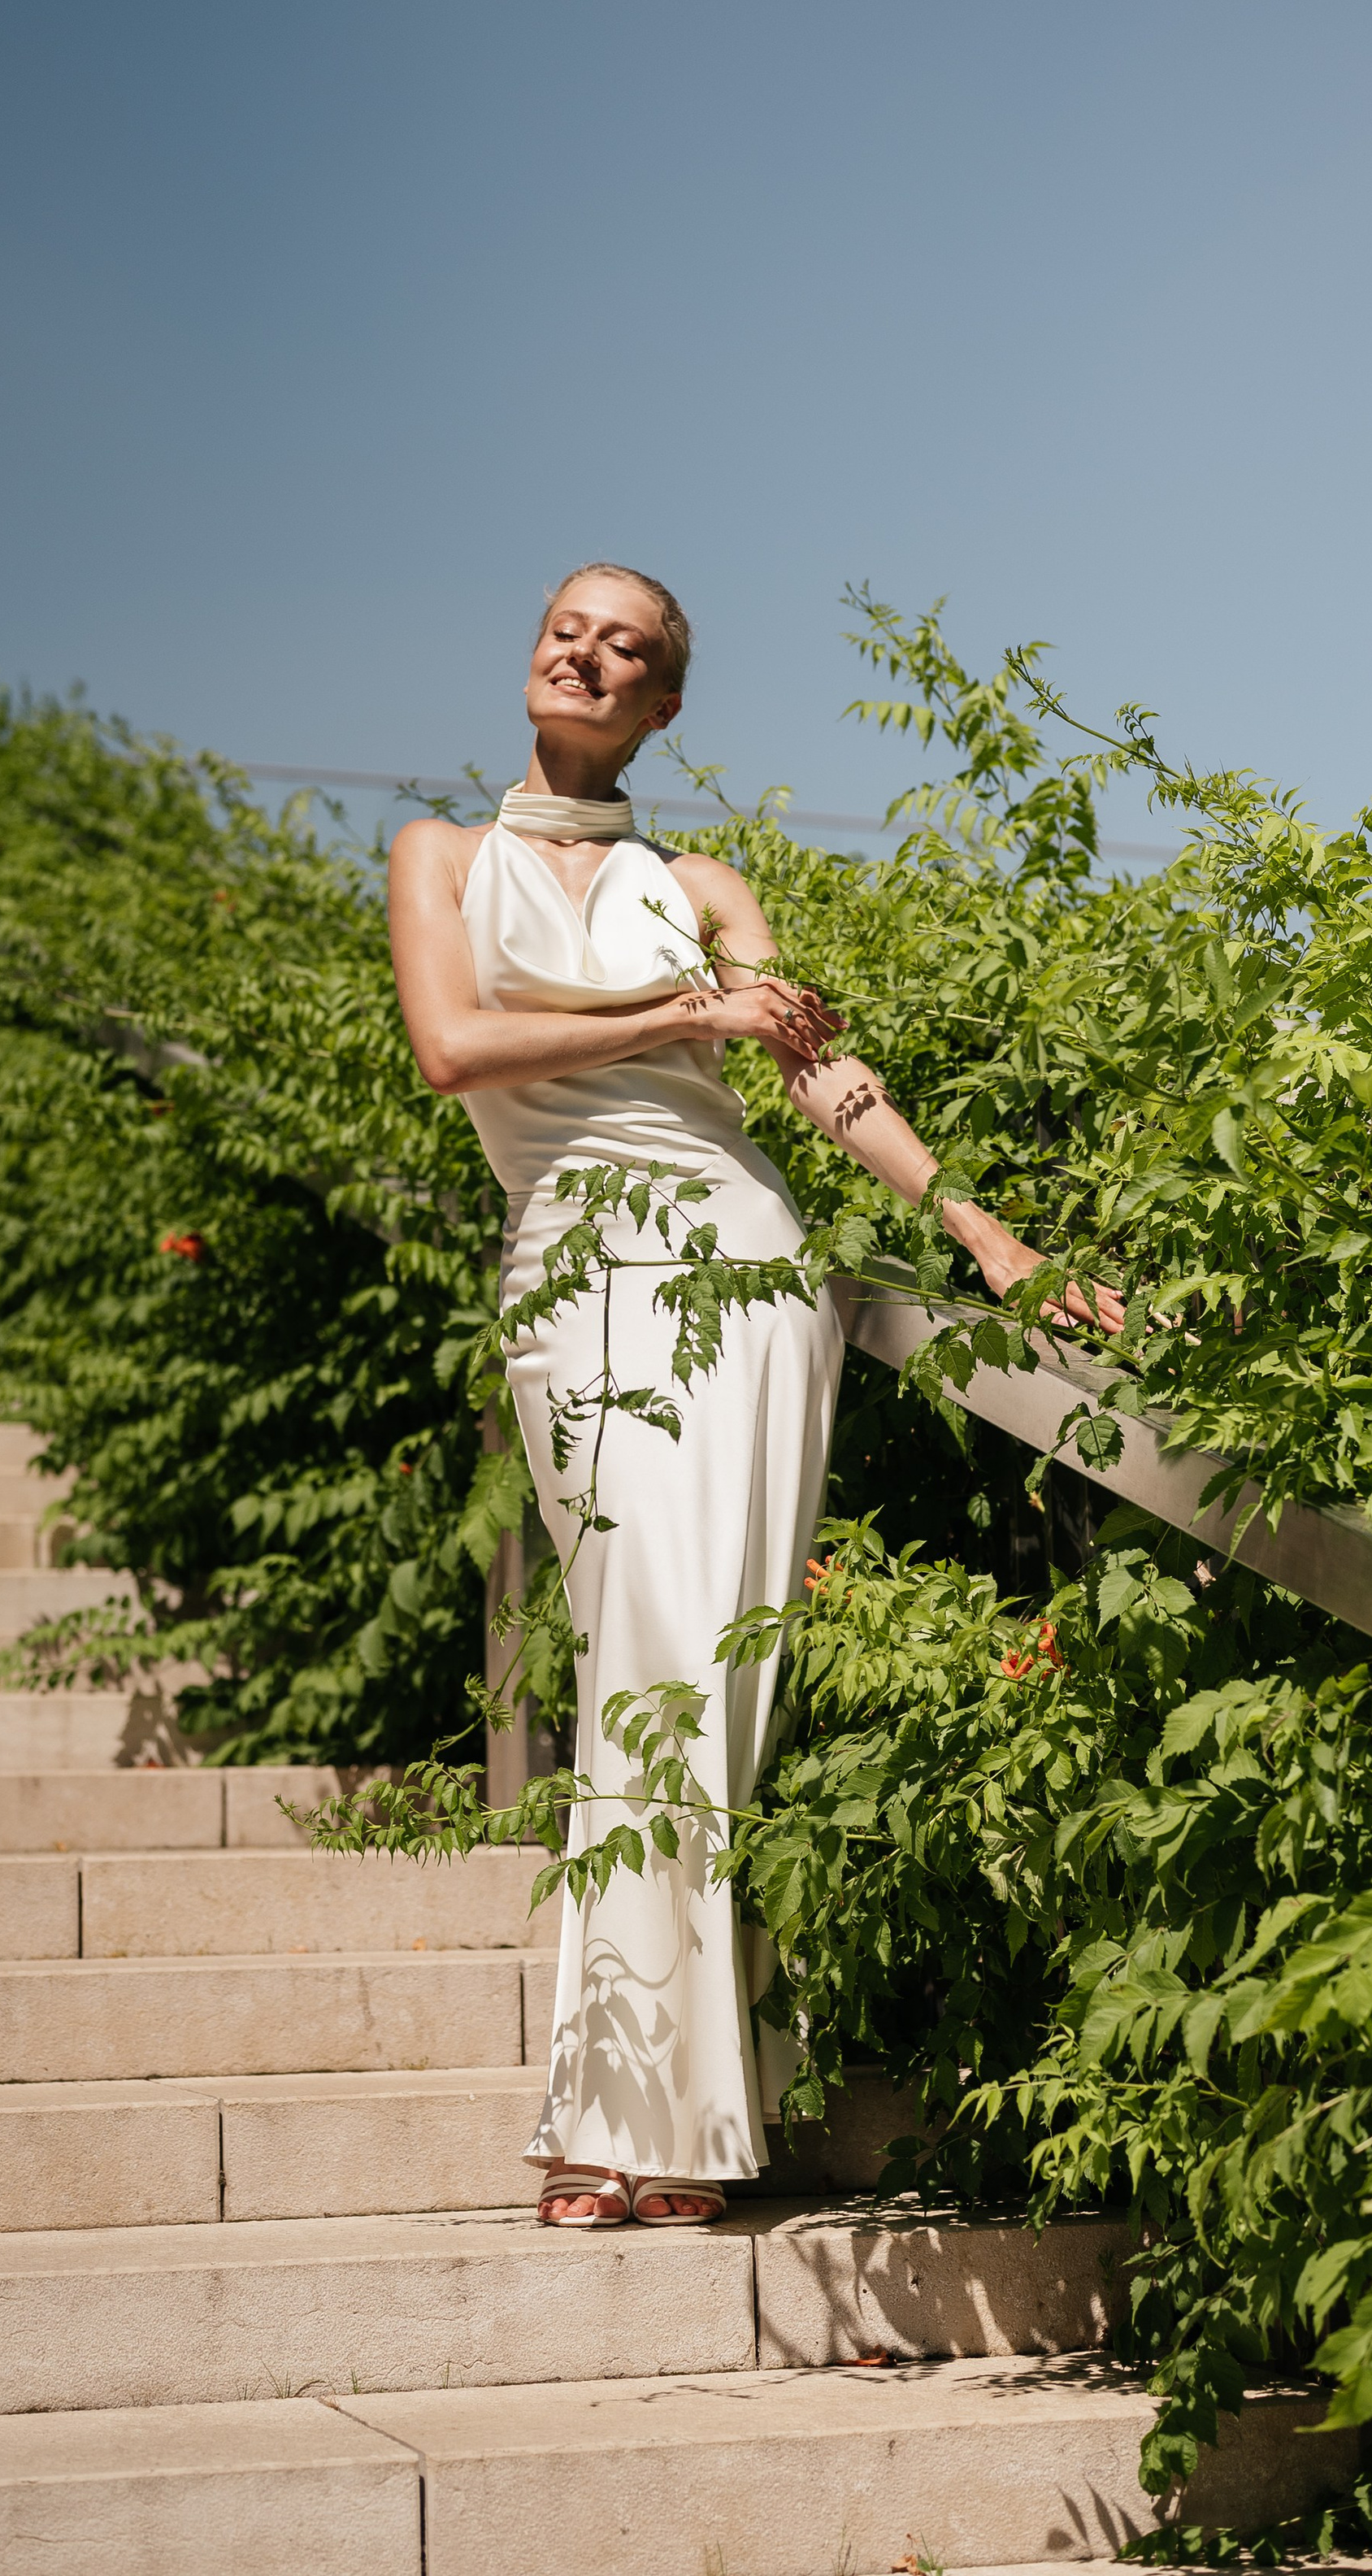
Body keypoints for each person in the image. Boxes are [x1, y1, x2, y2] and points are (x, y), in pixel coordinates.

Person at [388, 563, 1124, 2229]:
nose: (586, 650)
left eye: (625, 645)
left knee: (708, 1681)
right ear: (530, 661)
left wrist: (981, 1229)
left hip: (739, 1264)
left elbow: (814, 1073)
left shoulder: (700, 876)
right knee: (632, 1650)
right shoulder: (440, 856)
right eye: (565, 628)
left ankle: (645, 2124)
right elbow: (450, 1046)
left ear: (662, 703)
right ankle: (650, 2110)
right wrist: (688, 1009)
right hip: (571, 1261)